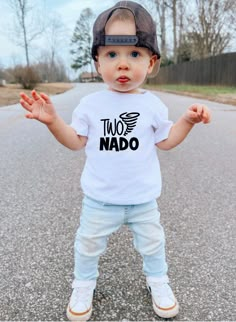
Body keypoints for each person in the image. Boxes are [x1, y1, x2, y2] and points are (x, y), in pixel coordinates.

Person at [19, 1, 211, 321]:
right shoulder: (90, 104)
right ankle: (83, 284)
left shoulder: (152, 106)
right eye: (112, 54)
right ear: (97, 62)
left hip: (142, 199)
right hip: (100, 200)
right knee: (87, 244)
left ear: (151, 63)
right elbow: (75, 141)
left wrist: (186, 122)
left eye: (134, 54)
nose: (123, 65)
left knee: (153, 244)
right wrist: (53, 122)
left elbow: (166, 141)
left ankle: (158, 281)